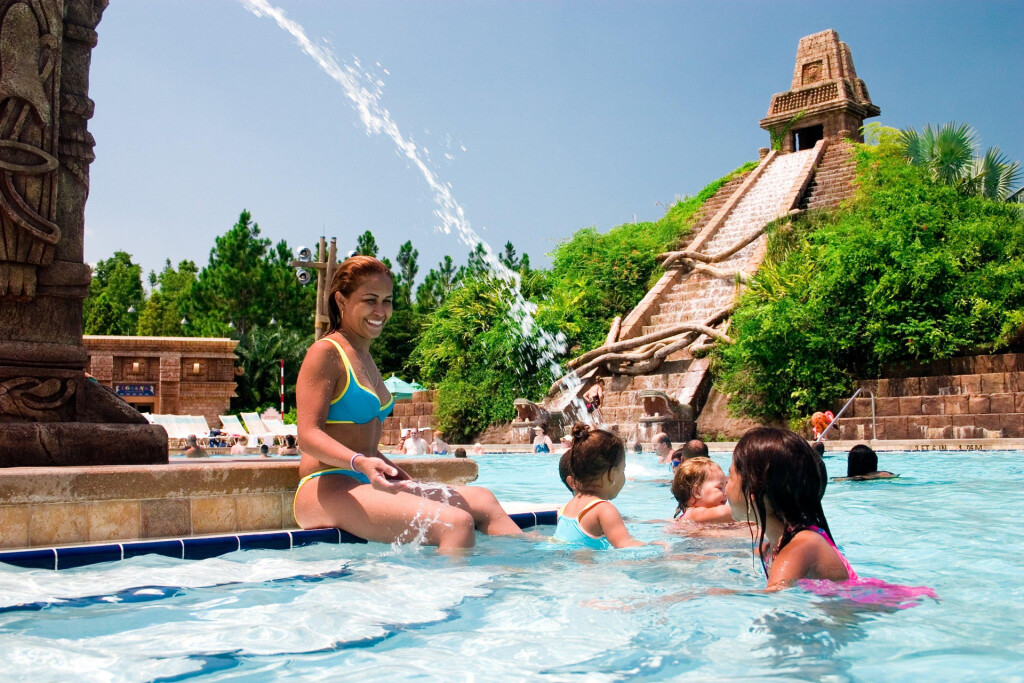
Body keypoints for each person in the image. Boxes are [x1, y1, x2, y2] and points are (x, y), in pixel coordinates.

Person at [294, 255, 521, 550]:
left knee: (483, 500)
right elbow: (307, 436)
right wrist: (361, 463)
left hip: (367, 481)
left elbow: (365, 444)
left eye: (387, 301)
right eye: (370, 300)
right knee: (456, 524)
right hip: (325, 486)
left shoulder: (365, 356)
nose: (381, 311)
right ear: (341, 301)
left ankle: (535, 571)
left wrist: (395, 473)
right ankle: (455, 595)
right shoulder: (326, 352)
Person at [726, 427, 853, 589]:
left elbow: (776, 603)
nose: (726, 484)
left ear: (753, 490)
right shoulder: (771, 547)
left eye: (730, 476)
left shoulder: (801, 547)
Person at [554, 423, 642, 549]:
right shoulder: (604, 509)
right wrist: (658, 547)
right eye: (623, 470)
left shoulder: (568, 507)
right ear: (611, 474)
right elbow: (626, 545)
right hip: (584, 568)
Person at [671, 457, 734, 523]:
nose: (726, 493)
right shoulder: (692, 514)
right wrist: (742, 508)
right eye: (720, 488)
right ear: (697, 492)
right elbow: (723, 512)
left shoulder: (710, 517)